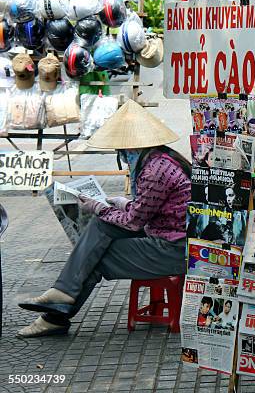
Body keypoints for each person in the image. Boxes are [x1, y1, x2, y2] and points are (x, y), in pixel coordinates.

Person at [16, 101, 191, 337]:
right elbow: (145, 211)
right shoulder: (159, 160)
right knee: (98, 239)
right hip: (164, 237)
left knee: (95, 254)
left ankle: (56, 313)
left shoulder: (155, 170)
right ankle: (59, 301)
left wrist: (98, 206)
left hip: (173, 249)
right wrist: (121, 202)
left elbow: (133, 222)